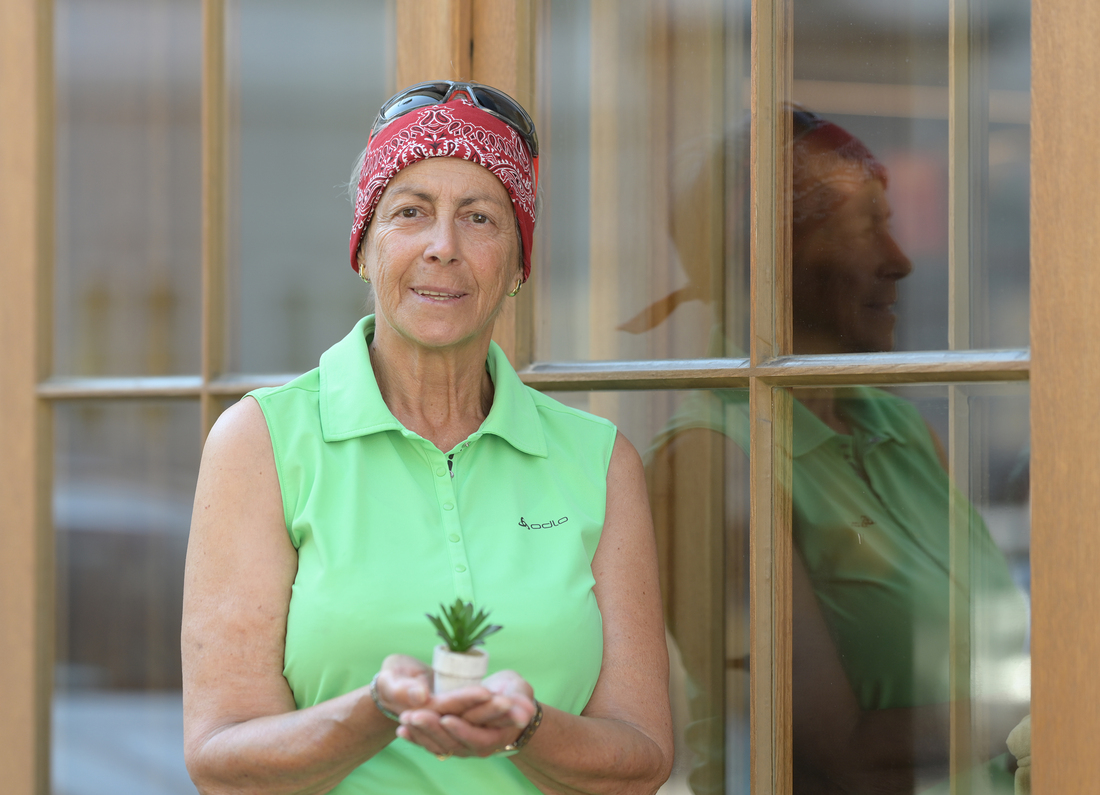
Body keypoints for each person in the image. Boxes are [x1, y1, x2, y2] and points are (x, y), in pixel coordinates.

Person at [181, 81, 674, 795]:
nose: (444, 247)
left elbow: (643, 755)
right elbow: (222, 759)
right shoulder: (261, 441)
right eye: (410, 212)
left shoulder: (599, 459)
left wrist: (526, 725)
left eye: (480, 218)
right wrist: (378, 709)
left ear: (517, 265)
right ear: (364, 248)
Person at [643, 108, 1029, 794]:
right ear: (768, 258)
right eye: (863, 229)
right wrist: (1055, 707)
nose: (900, 260)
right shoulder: (710, 457)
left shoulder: (900, 428)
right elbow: (832, 752)